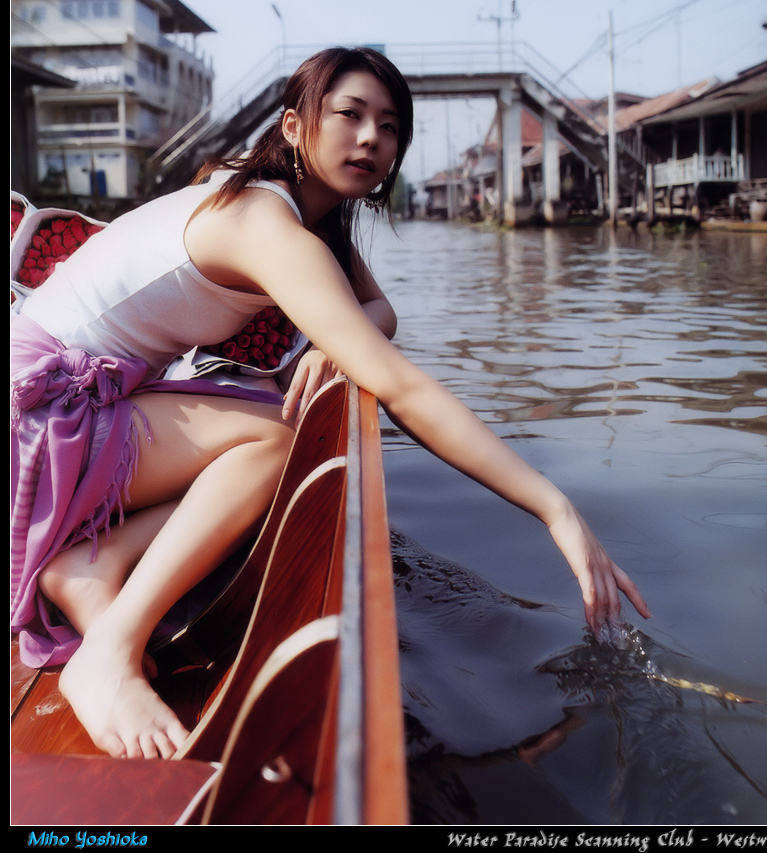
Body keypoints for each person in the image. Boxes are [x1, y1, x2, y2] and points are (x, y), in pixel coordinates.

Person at [10, 46, 649, 762]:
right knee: (273, 441)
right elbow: (401, 386)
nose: (371, 137)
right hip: (37, 417)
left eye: (390, 125)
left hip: (54, 402)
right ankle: (109, 653)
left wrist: (338, 341)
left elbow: (380, 312)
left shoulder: (290, 212)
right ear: (293, 125)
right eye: (350, 114)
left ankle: (96, 564)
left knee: (264, 421)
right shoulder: (266, 224)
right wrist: (554, 508)